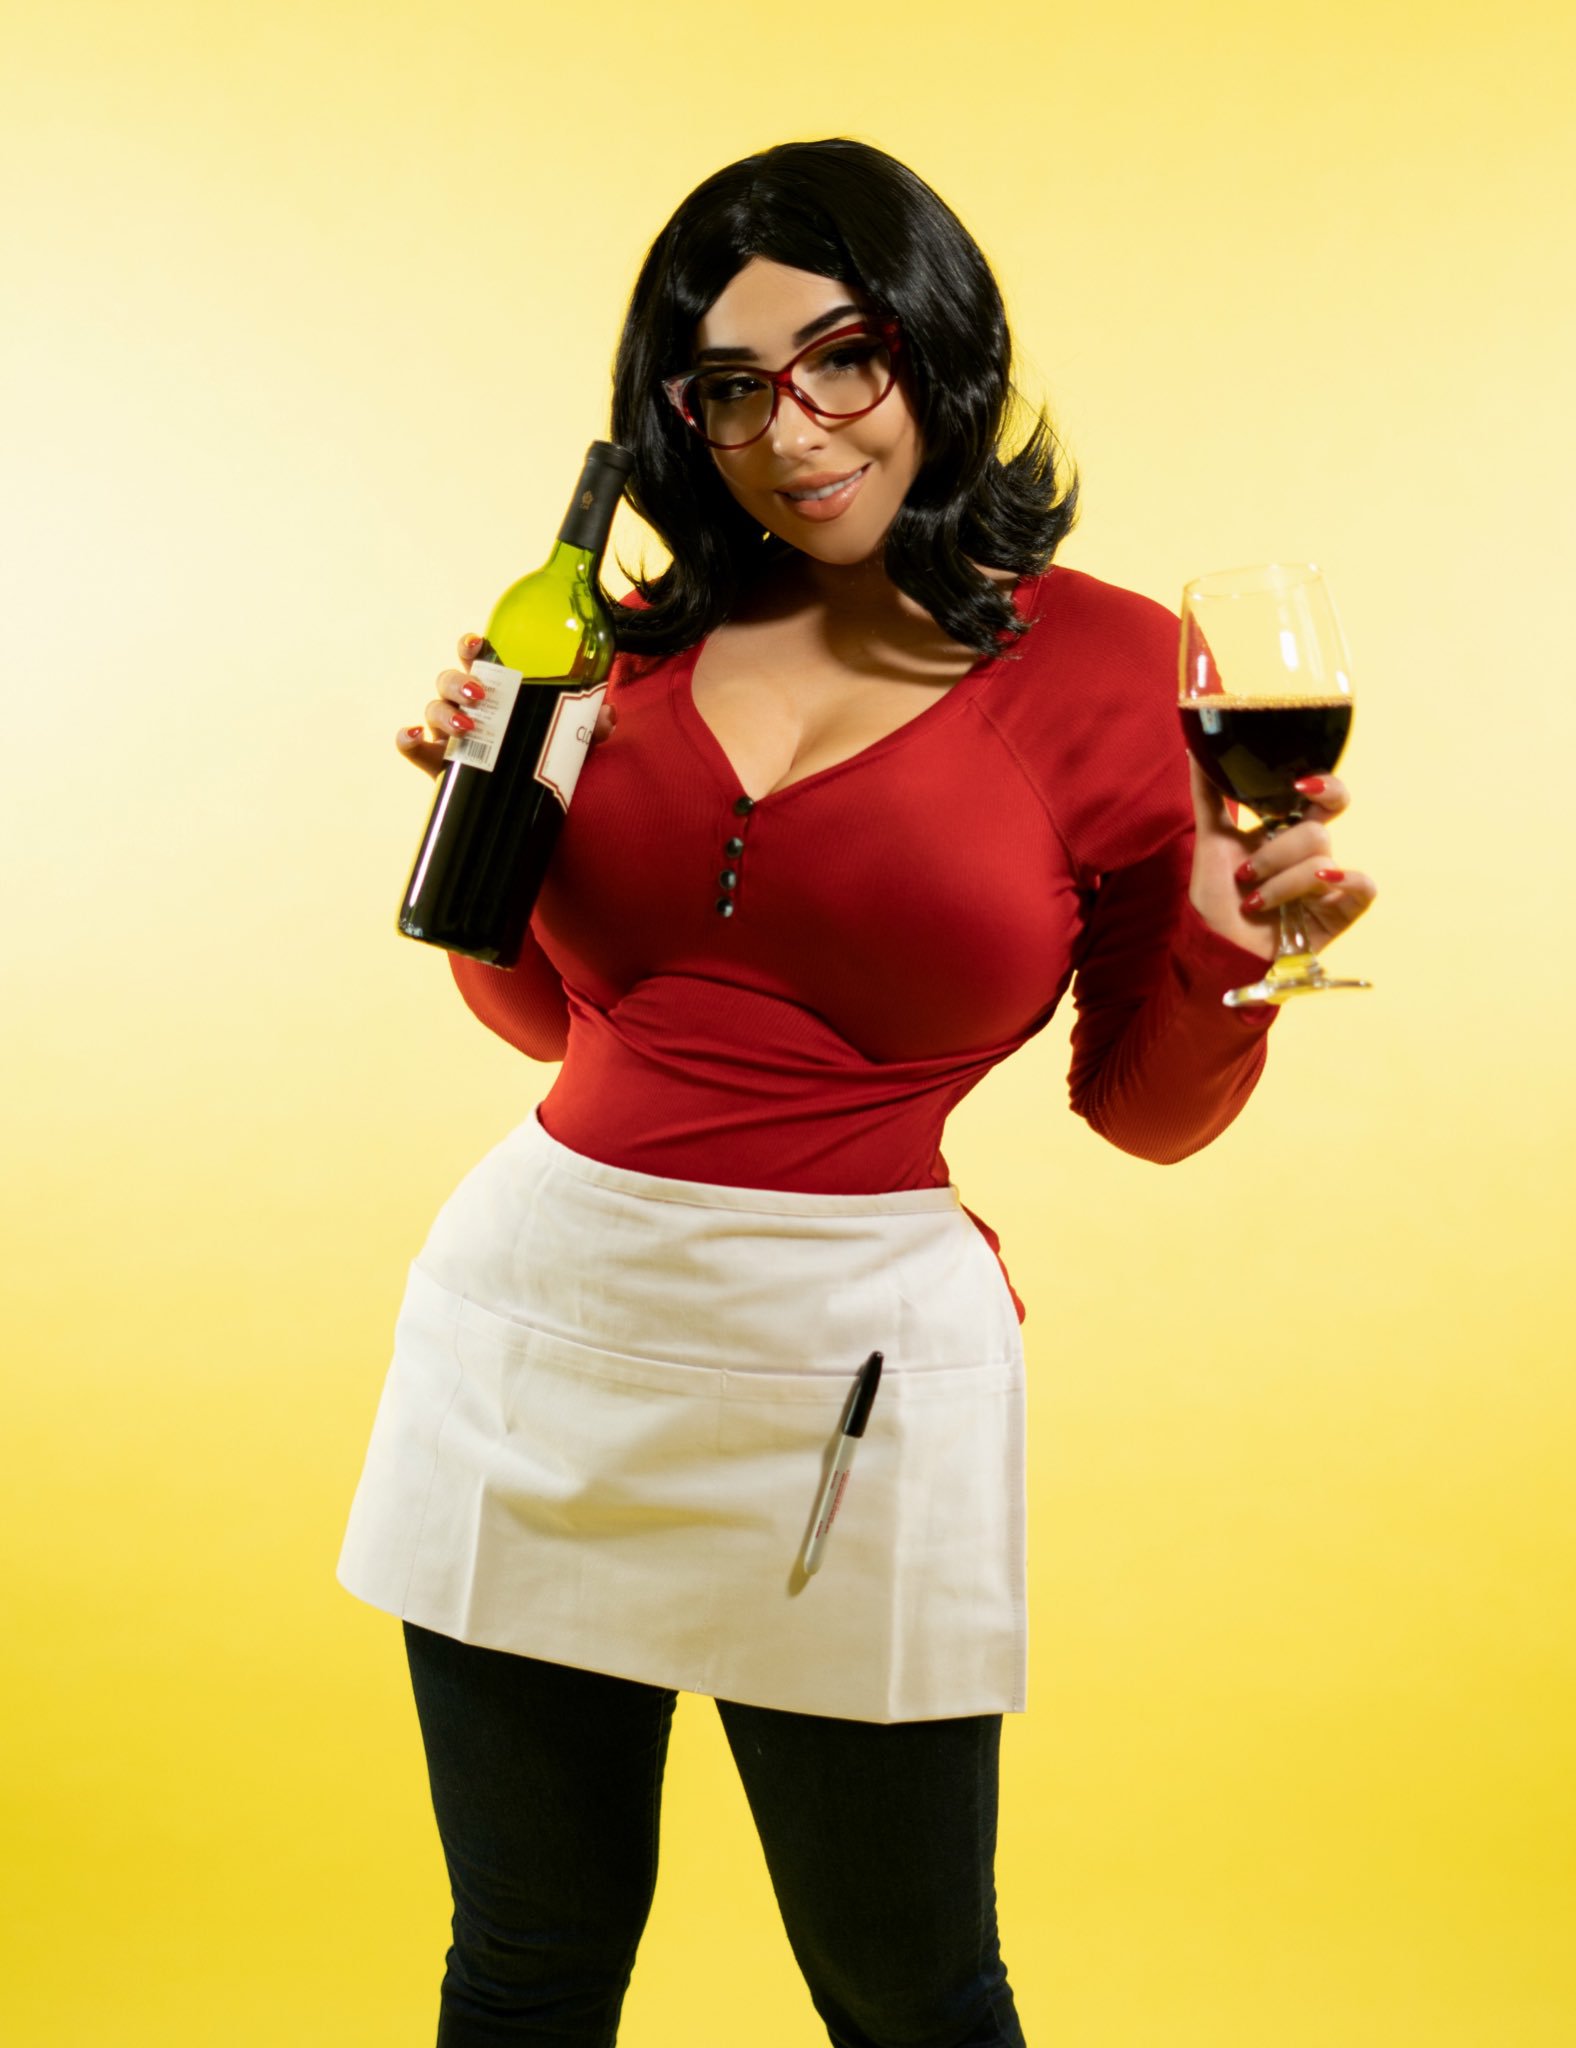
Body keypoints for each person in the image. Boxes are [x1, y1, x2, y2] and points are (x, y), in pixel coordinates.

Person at [338, 137, 1376, 2048]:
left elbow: (1143, 1111)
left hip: (854, 1371)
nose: (794, 432)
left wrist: (1232, 942)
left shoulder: (1115, 673)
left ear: (938, 345)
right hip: (533, 1335)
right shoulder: (618, 646)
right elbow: (550, 1023)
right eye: (729, 388)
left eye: (843, 359)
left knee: (910, 1992)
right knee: (528, 1965)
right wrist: (479, 827)